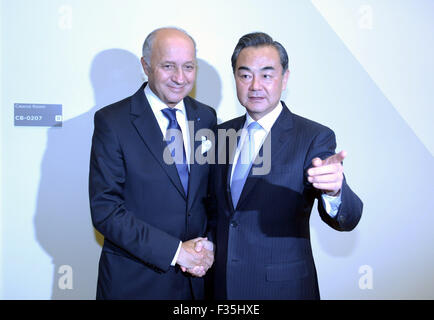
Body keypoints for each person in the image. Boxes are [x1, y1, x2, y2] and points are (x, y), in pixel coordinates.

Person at [209, 32, 363, 300]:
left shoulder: (312, 136)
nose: (255, 85)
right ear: (235, 77)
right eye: (245, 75)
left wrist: (335, 191)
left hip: (283, 289)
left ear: (285, 78)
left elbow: (348, 218)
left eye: (267, 75)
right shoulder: (221, 134)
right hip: (221, 287)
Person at [89, 27, 216, 300]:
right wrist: (176, 252)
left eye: (188, 67)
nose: (180, 78)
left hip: (196, 283)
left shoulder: (207, 117)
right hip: (135, 281)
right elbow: (106, 210)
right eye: (168, 66)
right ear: (146, 66)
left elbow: (210, 196)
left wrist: (207, 247)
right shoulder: (112, 122)